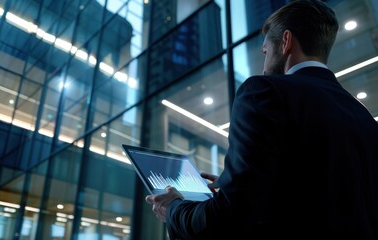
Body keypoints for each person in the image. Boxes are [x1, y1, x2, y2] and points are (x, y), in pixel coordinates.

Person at [145, 0, 378, 239]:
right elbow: (321, 193)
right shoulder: (363, 116)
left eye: (265, 52)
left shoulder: (264, 90)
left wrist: (173, 207)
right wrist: (238, 185)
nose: (264, 66)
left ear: (286, 42)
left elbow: (227, 219)